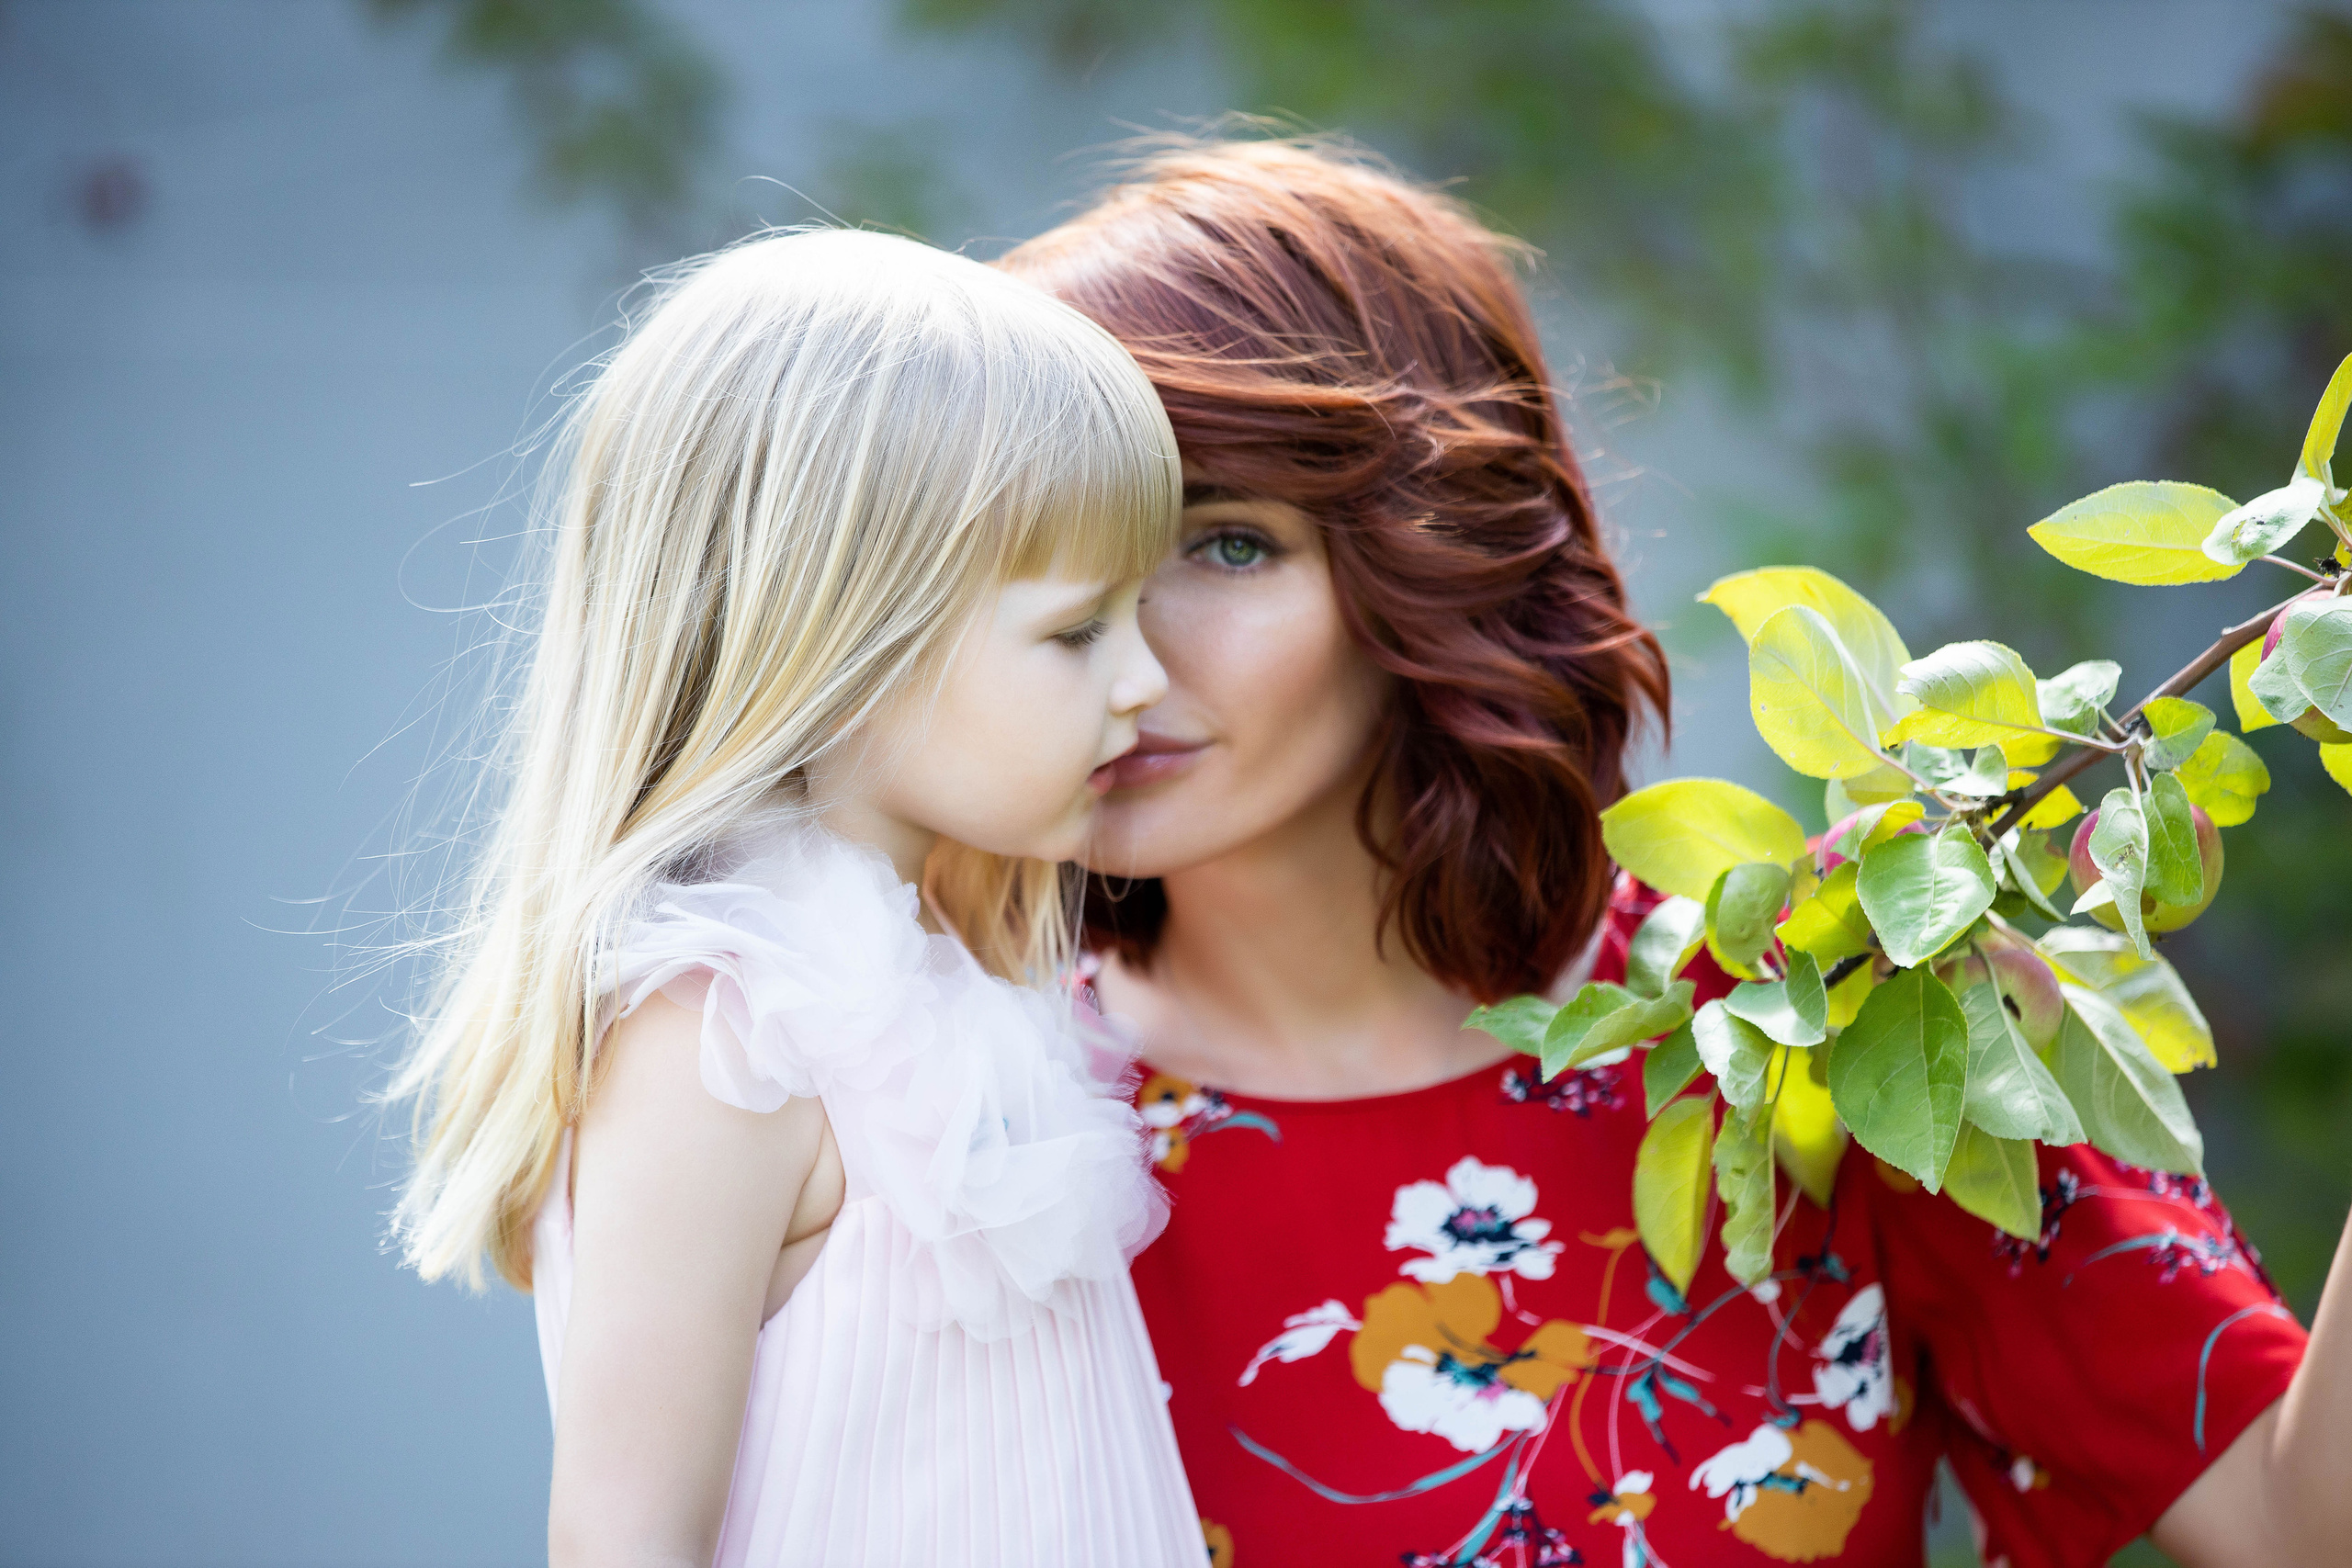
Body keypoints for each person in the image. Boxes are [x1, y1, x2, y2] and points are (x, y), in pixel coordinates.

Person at [999, 139, 2349, 1567]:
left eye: (1224, 543)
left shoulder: (1835, 1016)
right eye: (1052, 557)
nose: (1119, 655)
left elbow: (2301, 1523)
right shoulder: (940, 1111)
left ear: (1430, 545)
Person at [386, 228, 1204, 1567]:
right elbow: (622, 1543)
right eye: (1076, 630)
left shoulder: (950, 976)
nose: (1144, 683)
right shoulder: (726, 1044)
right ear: (841, 636)